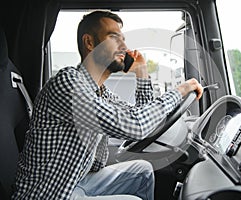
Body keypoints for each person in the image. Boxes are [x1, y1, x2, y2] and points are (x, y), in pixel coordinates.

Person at [12, 10, 203, 200]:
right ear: (89, 42)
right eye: (114, 37)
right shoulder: (67, 83)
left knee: (142, 171)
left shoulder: (99, 91)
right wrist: (181, 90)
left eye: (123, 39)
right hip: (49, 194)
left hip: (76, 181)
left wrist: (142, 73)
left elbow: (143, 119)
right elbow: (135, 126)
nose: (124, 46)